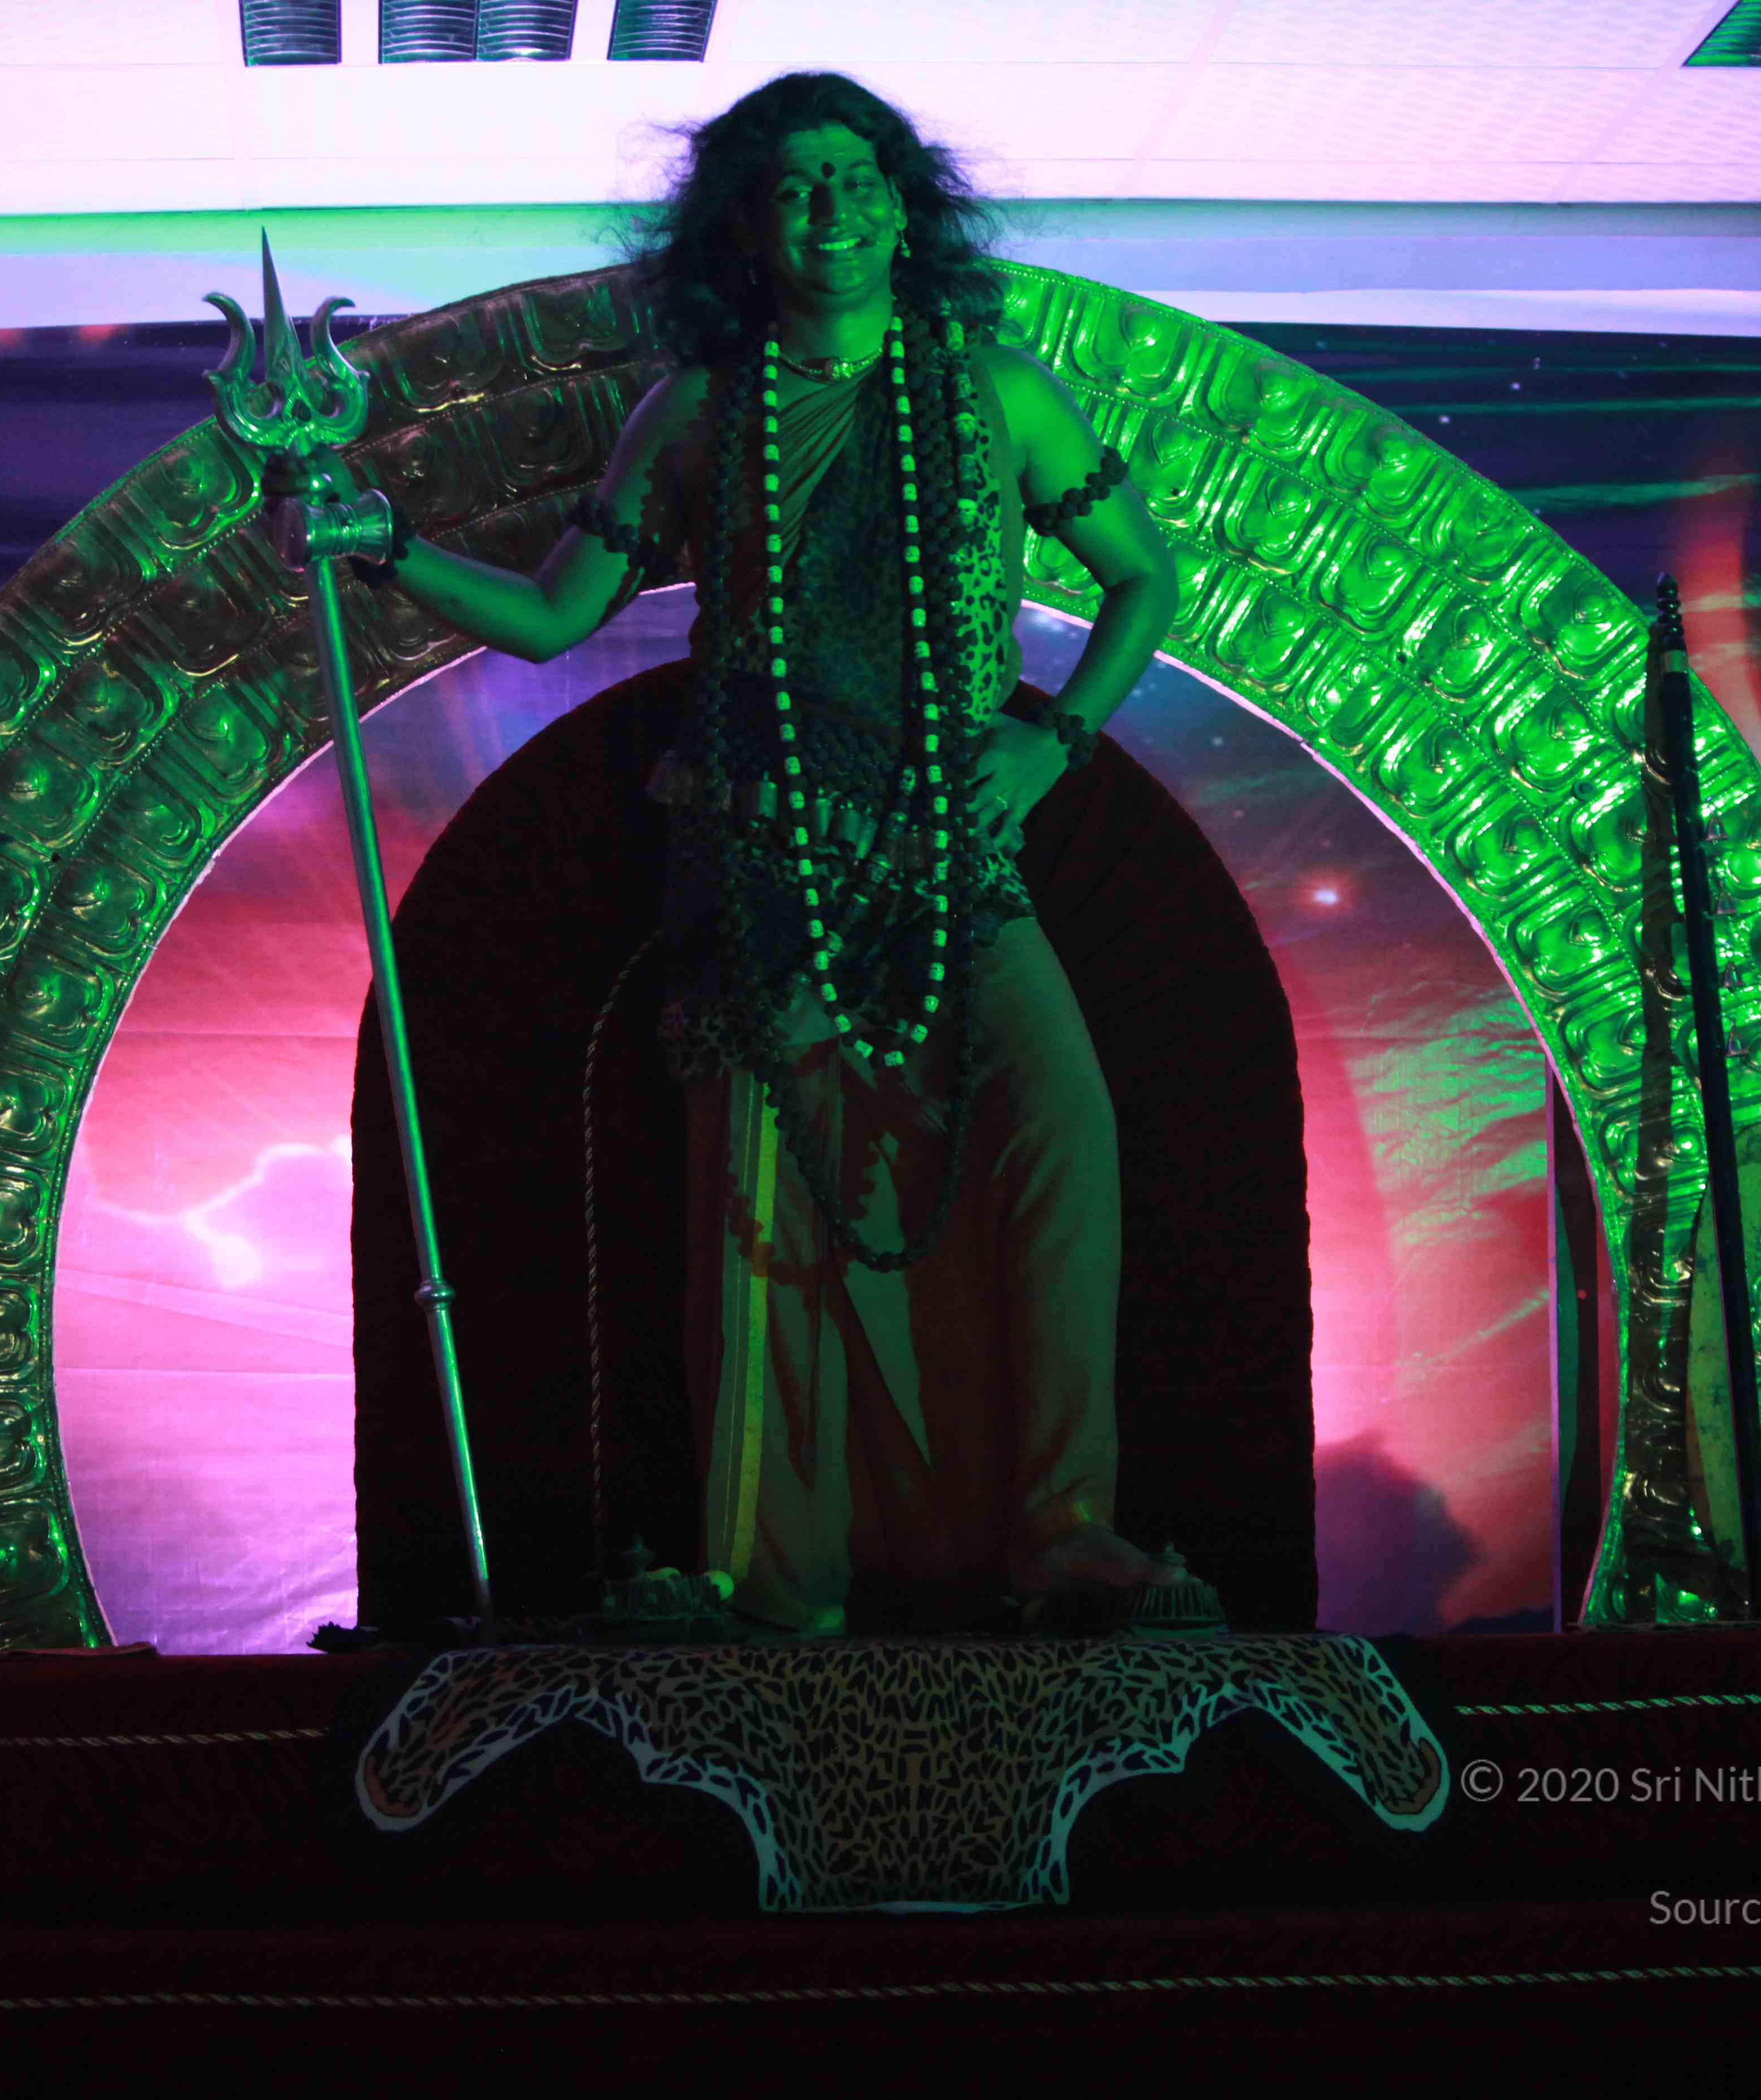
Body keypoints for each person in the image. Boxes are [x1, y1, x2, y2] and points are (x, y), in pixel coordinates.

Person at [355, 72, 1179, 1636]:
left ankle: (1068, 1530)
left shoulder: (1000, 395)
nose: (831, 211)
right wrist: (383, 546)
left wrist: (1052, 738)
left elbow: (1144, 578)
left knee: (1060, 1141)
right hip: (761, 861)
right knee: (763, 1214)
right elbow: (552, 617)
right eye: (794, 186)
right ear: (745, 226)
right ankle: (768, 1576)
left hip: (951, 862)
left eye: (857, 178)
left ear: (905, 206)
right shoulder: (697, 412)